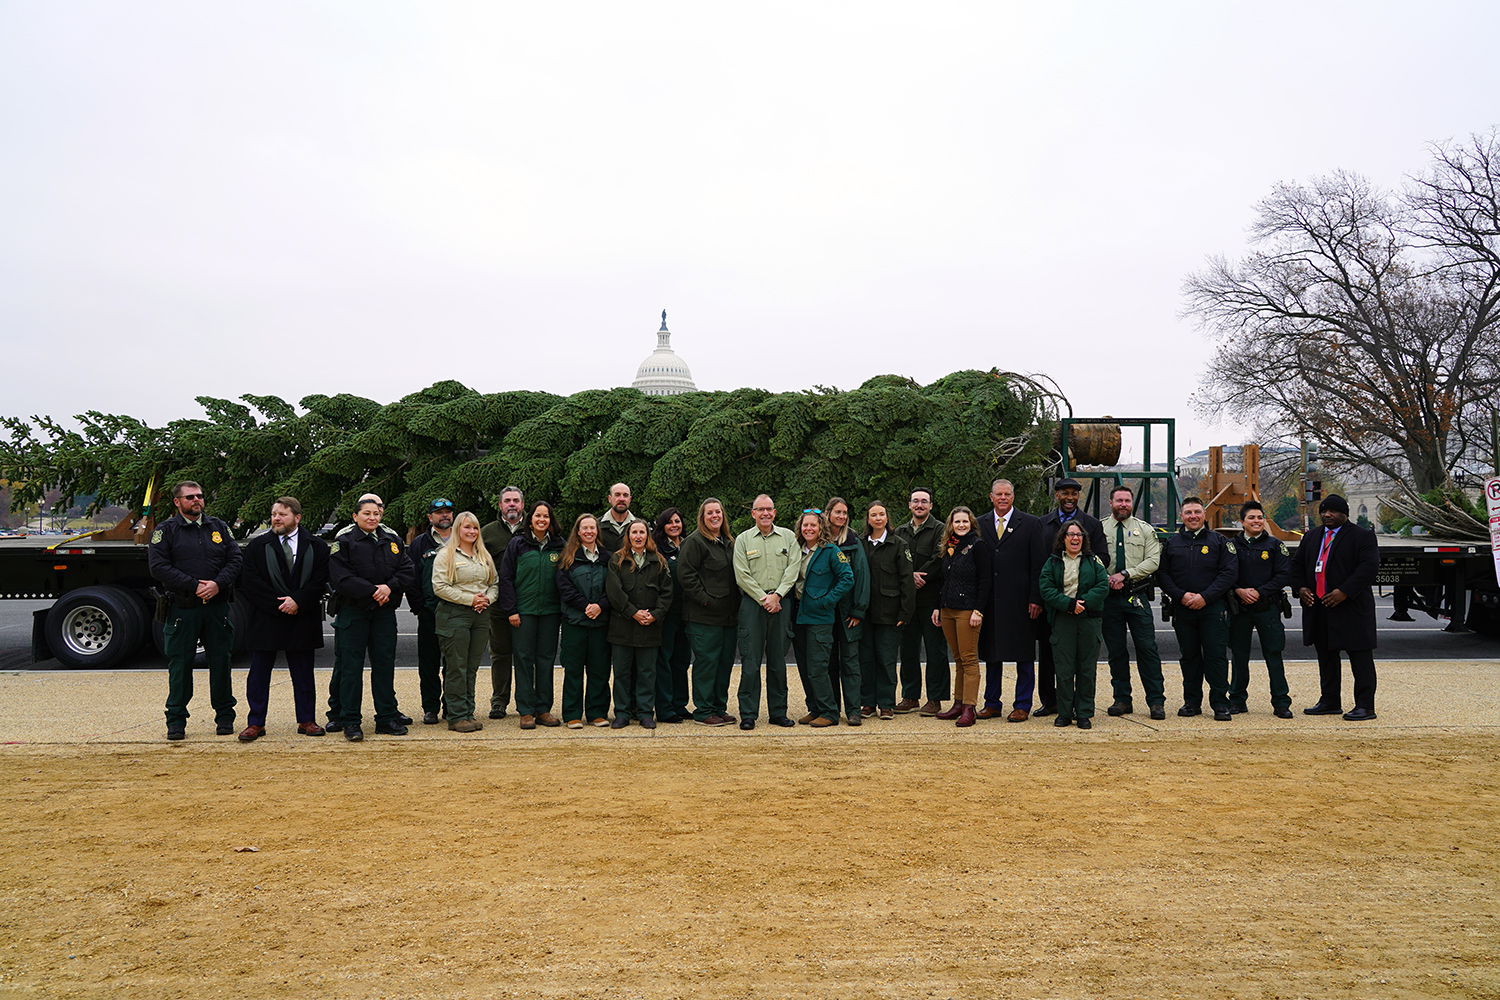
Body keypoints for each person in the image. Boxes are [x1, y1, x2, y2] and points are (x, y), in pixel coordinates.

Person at [148, 480, 244, 741]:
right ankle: (176, 720)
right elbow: (158, 567)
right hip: (183, 608)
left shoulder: (218, 527)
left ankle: (225, 716)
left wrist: (217, 583)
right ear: (177, 502)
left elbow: (235, 559)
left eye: (200, 496)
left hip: (216, 606)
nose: (197, 501)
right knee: (180, 665)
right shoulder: (166, 531)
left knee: (221, 661)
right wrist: (194, 585)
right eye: (190, 497)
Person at [236, 496, 329, 741]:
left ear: (297, 518)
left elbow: (319, 580)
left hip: (302, 617)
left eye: (282, 514)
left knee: (303, 674)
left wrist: (298, 601)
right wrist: (279, 604)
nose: (276, 518)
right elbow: (251, 582)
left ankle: (307, 720)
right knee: (258, 674)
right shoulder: (257, 546)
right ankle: (255, 723)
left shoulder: (316, 546)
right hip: (267, 617)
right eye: (274, 514)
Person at [328, 495, 417, 742]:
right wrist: (372, 591)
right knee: (351, 668)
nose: (372, 518)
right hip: (354, 613)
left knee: (384, 665)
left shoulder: (392, 540)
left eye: (376, 514)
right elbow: (341, 578)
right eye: (367, 513)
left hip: (383, 613)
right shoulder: (344, 542)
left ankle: (386, 718)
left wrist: (389, 587)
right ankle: (351, 721)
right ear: (355, 517)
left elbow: (407, 570)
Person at [1292, 494, 1381, 721]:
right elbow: (1296, 565)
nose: (1327, 515)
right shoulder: (1311, 537)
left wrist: (1344, 591)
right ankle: (1330, 700)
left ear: (1344, 513)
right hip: (1320, 607)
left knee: (1360, 658)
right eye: (1323, 511)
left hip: (1351, 607)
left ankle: (1365, 706)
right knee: (1326, 656)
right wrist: (1301, 588)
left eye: (1332, 511)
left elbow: (1368, 568)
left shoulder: (1362, 536)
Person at [1157, 497, 1239, 722]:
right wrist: (1181, 596)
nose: (1193, 516)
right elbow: (1163, 574)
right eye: (1188, 512)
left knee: (1216, 657)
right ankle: (1192, 702)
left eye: (1197, 512)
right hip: (1183, 610)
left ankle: (1221, 704)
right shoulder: (1171, 543)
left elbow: (1229, 573)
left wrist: (1205, 597)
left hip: (1213, 609)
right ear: (1181, 517)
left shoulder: (1220, 542)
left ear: (1204, 514)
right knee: (1189, 658)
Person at [1036, 477, 1109, 715]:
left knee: (1084, 663)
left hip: (1085, 605)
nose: (1070, 497)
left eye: (1074, 493)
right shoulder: (1043, 524)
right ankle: (1051, 702)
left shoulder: (1092, 524)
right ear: (1056, 495)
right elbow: (1037, 563)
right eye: (1065, 493)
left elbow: (1103, 560)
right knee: (1050, 655)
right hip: (1055, 605)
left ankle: (1080, 707)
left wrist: (1083, 599)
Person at [976, 479, 1047, 722]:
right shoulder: (980, 523)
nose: (1003, 498)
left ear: (1013, 497)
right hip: (990, 602)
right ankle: (992, 703)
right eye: (999, 494)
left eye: (1007, 494)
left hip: (1021, 602)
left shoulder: (1030, 523)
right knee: (992, 655)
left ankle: (1022, 705)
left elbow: (1039, 564)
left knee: (1024, 655)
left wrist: (1036, 598)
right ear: (991, 497)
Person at [731, 494, 801, 731]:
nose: (765, 513)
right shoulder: (742, 540)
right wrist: (765, 599)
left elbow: (793, 568)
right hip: (753, 603)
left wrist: (778, 595)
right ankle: (748, 714)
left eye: (769, 509)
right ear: (753, 513)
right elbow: (741, 575)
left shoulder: (789, 537)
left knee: (777, 660)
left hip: (781, 602)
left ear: (774, 512)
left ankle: (778, 712)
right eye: (760, 509)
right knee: (750, 660)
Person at [1099, 484, 1166, 720]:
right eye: (1119, 501)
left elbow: (1153, 561)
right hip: (1108, 598)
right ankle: (1122, 699)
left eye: (1127, 501)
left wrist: (1125, 574)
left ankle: (1156, 701)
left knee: (1147, 649)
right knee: (1116, 652)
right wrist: (1104, 578)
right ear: (1111, 503)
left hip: (1135, 595)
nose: (1123, 504)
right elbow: (1092, 557)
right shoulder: (1099, 528)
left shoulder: (1145, 530)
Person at [498, 501, 566, 729]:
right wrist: (511, 610)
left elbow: (566, 580)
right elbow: (505, 578)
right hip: (523, 613)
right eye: (538, 515)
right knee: (524, 660)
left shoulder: (559, 545)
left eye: (546, 516)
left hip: (550, 612)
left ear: (550, 520)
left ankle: (543, 709)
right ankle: (526, 711)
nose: (542, 520)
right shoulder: (517, 544)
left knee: (546, 661)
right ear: (530, 519)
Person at [431, 511, 498, 733]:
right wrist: (471, 600)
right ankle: (456, 715)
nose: (471, 531)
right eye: (467, 527)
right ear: (458, 529)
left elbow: (495, 583)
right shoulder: (446, 555)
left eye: (475, 528)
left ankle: (468, 712)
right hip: (454, 615)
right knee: (456, 667)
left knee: (471, 667)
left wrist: (487, 598)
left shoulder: (483, 555)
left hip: (480, 615)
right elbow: (440, 587)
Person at [605, 520, 675, 729]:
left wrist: (655, 614)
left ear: (647, 535)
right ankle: (622, 713)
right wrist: (633, 612)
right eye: (634, 532)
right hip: (622, 627)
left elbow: (667, 592)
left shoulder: (659, 561)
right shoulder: (617, 560)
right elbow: (614, 591)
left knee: (647, 673)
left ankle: (645, 713)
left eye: (642, 532)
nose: (638, 536)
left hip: (650, 627)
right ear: (628, 536)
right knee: (622, 673)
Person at [1229, 500, 1293, 718]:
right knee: (1238, 656)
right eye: (1251, 518)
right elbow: (1224, 575)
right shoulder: (1231, 546)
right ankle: (1237, 700)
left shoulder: (1275, 545)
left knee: (1273, 654)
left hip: (1268, 608)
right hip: (1240, 610)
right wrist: (1238, 591)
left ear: (1264, 520)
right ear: (1242, 522)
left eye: (1259, 517)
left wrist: (1259, 591)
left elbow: (1284, 575)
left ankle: (1281, 702)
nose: (1256, 521)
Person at [677, 498, 739, 727]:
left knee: (724, 663)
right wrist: (706, 601)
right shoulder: (694, 542)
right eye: (709, 513)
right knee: (707, 663)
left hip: (729, 617)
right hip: (704, 617)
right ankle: (703, 710)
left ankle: (718, 707)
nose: (715, 516)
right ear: (702, 517)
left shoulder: (729, 542)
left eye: (718, 512)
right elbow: (686, 577)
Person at [790, 509, 854, 728]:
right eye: (805, 525)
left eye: (813, 525)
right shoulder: (795, 551)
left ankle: (829, 711)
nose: (808, 529)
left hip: (820, 617)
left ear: (821, 528)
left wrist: (827, 600)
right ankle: (815, 708)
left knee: (818, 666)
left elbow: (847, 578)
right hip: (798, 616)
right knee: (805, 666)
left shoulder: (831, 551)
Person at [933, 506, 991, 728]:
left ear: (971, 523)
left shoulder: (977, 546)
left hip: (968, 610)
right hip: (948, 609)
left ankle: (969, 707)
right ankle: (958, 704)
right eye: (957, 522)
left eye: (965, 522)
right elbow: (943, 580)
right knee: (957, 659)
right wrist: (938, 606)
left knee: (968, 659)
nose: (961, 525)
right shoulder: (948, 547)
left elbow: (985, 580)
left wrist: (979, 610)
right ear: (951, 524)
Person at [858, 501, 915, 720]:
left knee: (886, 660)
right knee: (866, 659)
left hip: (890, 615)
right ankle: (867, 703)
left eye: (882, 514)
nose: (878, 518)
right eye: (874, 515)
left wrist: (905, 612)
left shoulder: (898, 544)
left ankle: (886, 704)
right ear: (868, 519)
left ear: (887, 517)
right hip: (864, 614)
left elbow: (906, 581)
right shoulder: (861, 543)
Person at [894, 487, 949, 715]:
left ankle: (935, 699)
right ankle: (910, 696)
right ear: (909, 505)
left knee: (936, 652)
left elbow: (940, 558)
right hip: (907, 602)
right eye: (915, 501)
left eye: (924, 501)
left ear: (931, 506)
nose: (919, 505)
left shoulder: (940, 529)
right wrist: (909, 577)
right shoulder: (899, 531)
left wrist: (918, 575)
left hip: (931, 600)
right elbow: (894, 560)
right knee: (908, 650)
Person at [556, 513, 612, 729]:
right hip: (575, 622)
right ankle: (572, 714)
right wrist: (585, 606)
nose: (589, 531)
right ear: (578, 532)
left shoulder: (607, 558)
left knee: (599, 669)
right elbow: (564, 588)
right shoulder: (568, 558)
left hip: (601, 622)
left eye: (592, 528)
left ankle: (597, 713)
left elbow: (614, 587)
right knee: (574, 669)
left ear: (597, 531)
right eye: (584, 528)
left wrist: (600, 606)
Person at [481, 486, 526, 720]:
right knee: (500, 654)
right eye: (507, 501)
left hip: (528, 604)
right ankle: (499, 701)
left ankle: (527, 702)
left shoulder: (534, 528)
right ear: (499, 505)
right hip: (498, 606)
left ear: (522, 504)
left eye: (516, 501)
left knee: (527, 655)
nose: (511, 504)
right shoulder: (487, 533)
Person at [408, 498, 454, 725]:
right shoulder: (419, 544)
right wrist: (418, 607)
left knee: (454, 663)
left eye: (447, 512)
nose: (444, 516)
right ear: (430, 517)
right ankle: (431, 708)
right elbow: (411, 577)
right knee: (428, 663)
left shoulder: (463, 538)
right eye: (439, 513)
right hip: (429, 612)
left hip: (456, 612)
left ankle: (452, 706)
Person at [825, 497, 870, 726]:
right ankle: (830, 710)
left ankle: (854, 710)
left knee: (851, 662)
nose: (841, 516)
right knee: (828, 662)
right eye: (837, 512)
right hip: (823, 612)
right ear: (828, 513)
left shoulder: (853, 541)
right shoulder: (819, 539)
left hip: (848, 612)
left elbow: (862, 576)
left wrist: (858, 610)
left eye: (844, 513)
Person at [651, 507, 692, 723]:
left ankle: (679, 704)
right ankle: (665, 708)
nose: (674, 525)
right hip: (666, 612)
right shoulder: (656, 548)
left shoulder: (689, 544)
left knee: (682, 660)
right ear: (662, 526)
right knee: (664, 660)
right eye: (669, 522)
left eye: (677, 521)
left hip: (687, 611)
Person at [597, 482, 644, 554]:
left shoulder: (641, 527)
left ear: (630, 499)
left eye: (625, 495)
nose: (621, 499)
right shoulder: (596, 526)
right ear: (610, 499)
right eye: (617, 495)